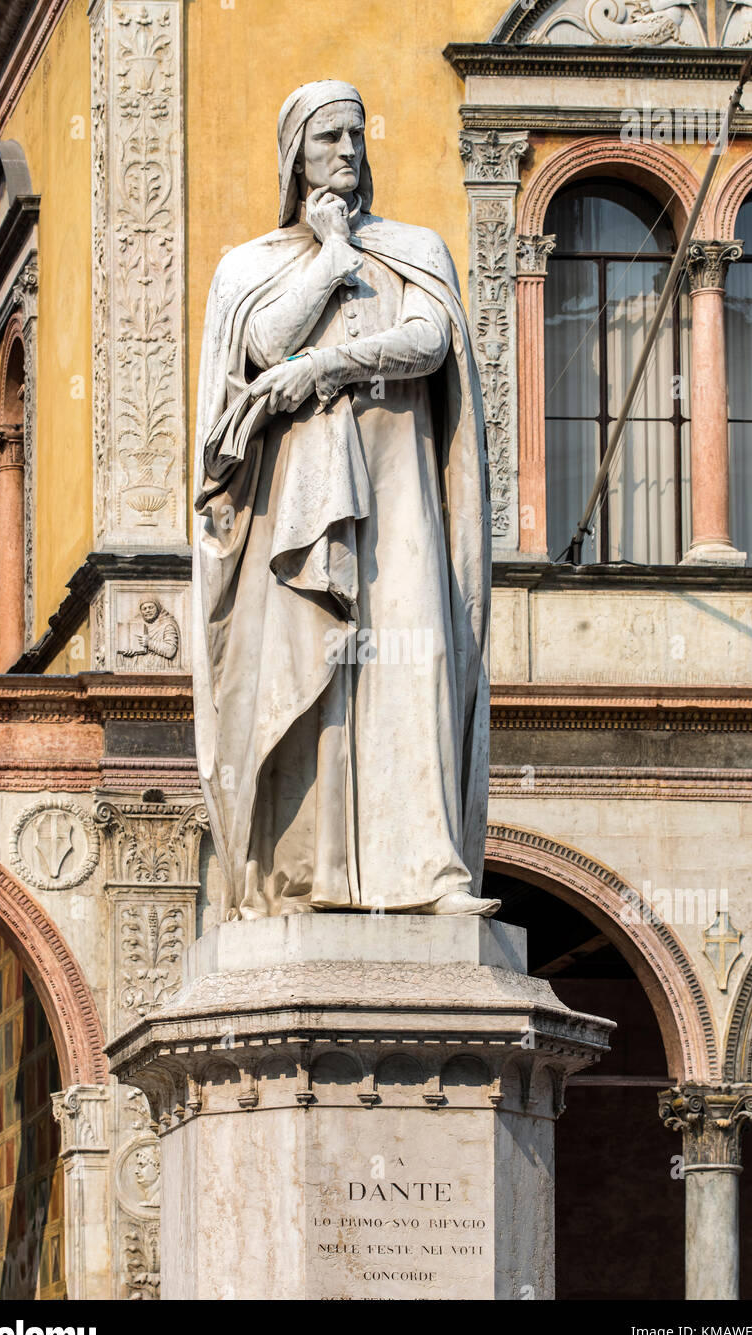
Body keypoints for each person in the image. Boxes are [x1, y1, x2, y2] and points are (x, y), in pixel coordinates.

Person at [192, 80, 498, 922]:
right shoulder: (250, 264)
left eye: (357, 137)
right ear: (294, 154)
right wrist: (329, 259)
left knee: (415, 660)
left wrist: (326, 368)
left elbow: (432, 341)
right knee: (308, 668)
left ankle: (426, 871)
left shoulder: (411, 248)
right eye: (328, 138)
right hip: (293, 507)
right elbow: (261, 344)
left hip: (399, 490)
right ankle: (301, 876)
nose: (348, 153)